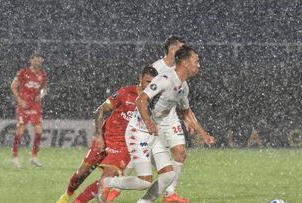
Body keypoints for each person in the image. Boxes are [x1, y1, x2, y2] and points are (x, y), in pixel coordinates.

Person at [98, 45, 215, 203]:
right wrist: (148, 123)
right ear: (185, 63)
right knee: (144, 181)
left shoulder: (183, 87)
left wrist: (203, 134)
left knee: (168, 175)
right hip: (138, 132)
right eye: (196, 60)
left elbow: (186, 112)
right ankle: (108, 183)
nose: (198, 64)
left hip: (153, 134)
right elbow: (141, 99)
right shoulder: (165, 79)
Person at [56, 66, 159, 203]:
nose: (149, 86)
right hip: (105, 138)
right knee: (81, 173)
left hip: (123, 146)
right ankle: (67, 195)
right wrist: (99, 136)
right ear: (140, 79)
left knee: (106, 179)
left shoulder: (154, 102)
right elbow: (99, 111)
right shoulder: (125, 93)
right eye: (147, 81)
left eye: (152, 83)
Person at [151, 35, 192, 202]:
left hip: (171, 119)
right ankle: (113, 187)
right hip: (153, 120)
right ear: (173, 49)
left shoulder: (180, 70)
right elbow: (144, 95)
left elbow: (182, 97)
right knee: (145, 160)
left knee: (180, 153)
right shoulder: (155, 68)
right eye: (182, 49)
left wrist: (188, 119)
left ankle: (170, 194)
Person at [10, 53, 48, 168]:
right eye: (35, 60)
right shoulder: (24, 72)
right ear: (31, 61)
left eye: (39, 60)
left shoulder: (43, 74)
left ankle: (34, 157)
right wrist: (19, 100)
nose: (37, 62)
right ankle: (14, 156)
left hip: (35, 106)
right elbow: (13, 86)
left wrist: (40, 96)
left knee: (39, 131)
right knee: (20, 130)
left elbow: (45, 88)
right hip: (24, 105)